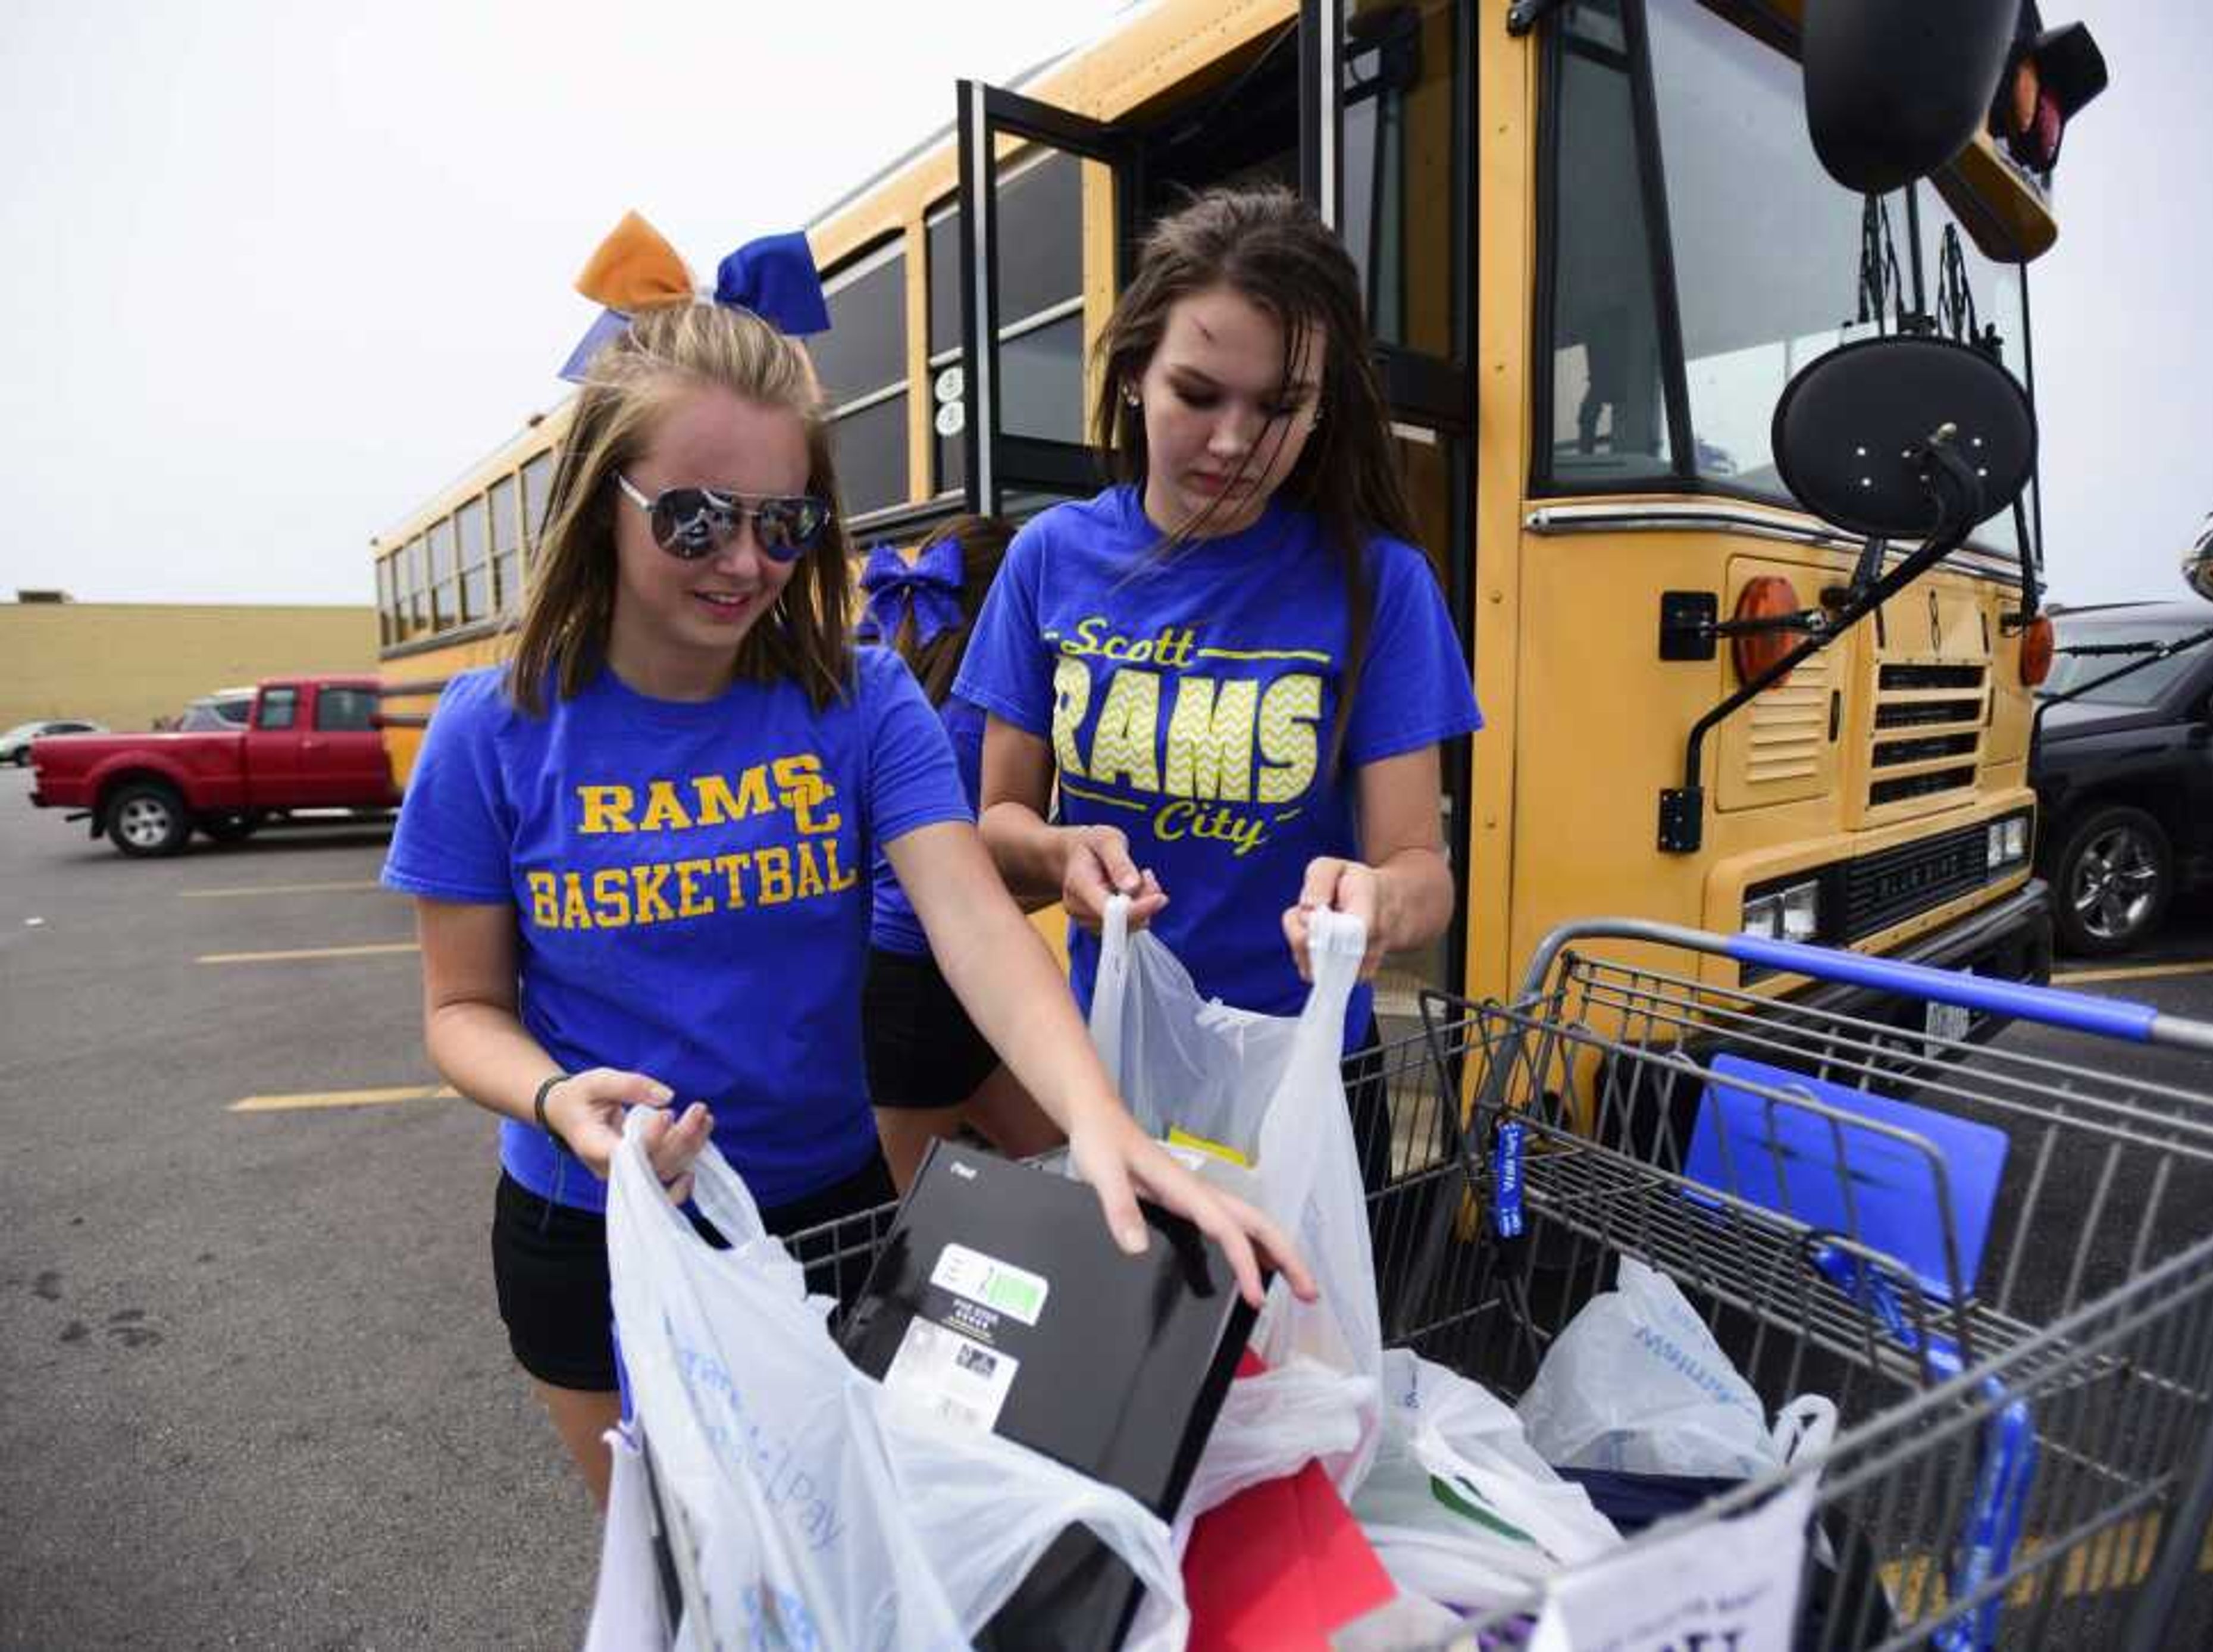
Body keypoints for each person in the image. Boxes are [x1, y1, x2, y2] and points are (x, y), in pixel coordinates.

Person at [381, 215, 1311, 1505]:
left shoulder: (861, 702)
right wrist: (556, 1101)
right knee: (677, 1557)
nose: (749, 562)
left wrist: (1101, 1121)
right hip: (591, 1227)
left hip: (823, 1211)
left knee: (844, 1541)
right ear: (607, 502)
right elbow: (463, 1007)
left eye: (786, 520)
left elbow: (976, 922)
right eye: (697, 519)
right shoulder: (494, 729)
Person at [956, 186, 1483, 1186]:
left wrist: (1378, 904)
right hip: (1108, 1073)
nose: (1236, 442)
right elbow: (996, 825)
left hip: (1307, 1079)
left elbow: (1422, 867)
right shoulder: (1048, 560)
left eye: (1279, 407)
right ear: (1132, 381)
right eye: (1198, 395)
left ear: (1323, 409)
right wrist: (1061, 852)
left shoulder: (1381, 584)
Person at [857, 516, 1063, 1190]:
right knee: (900, 1224)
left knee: (1060, 1159)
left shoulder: (907, 694)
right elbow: (981, 874)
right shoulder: (981, 720)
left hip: (914, 976)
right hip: (917, 983)